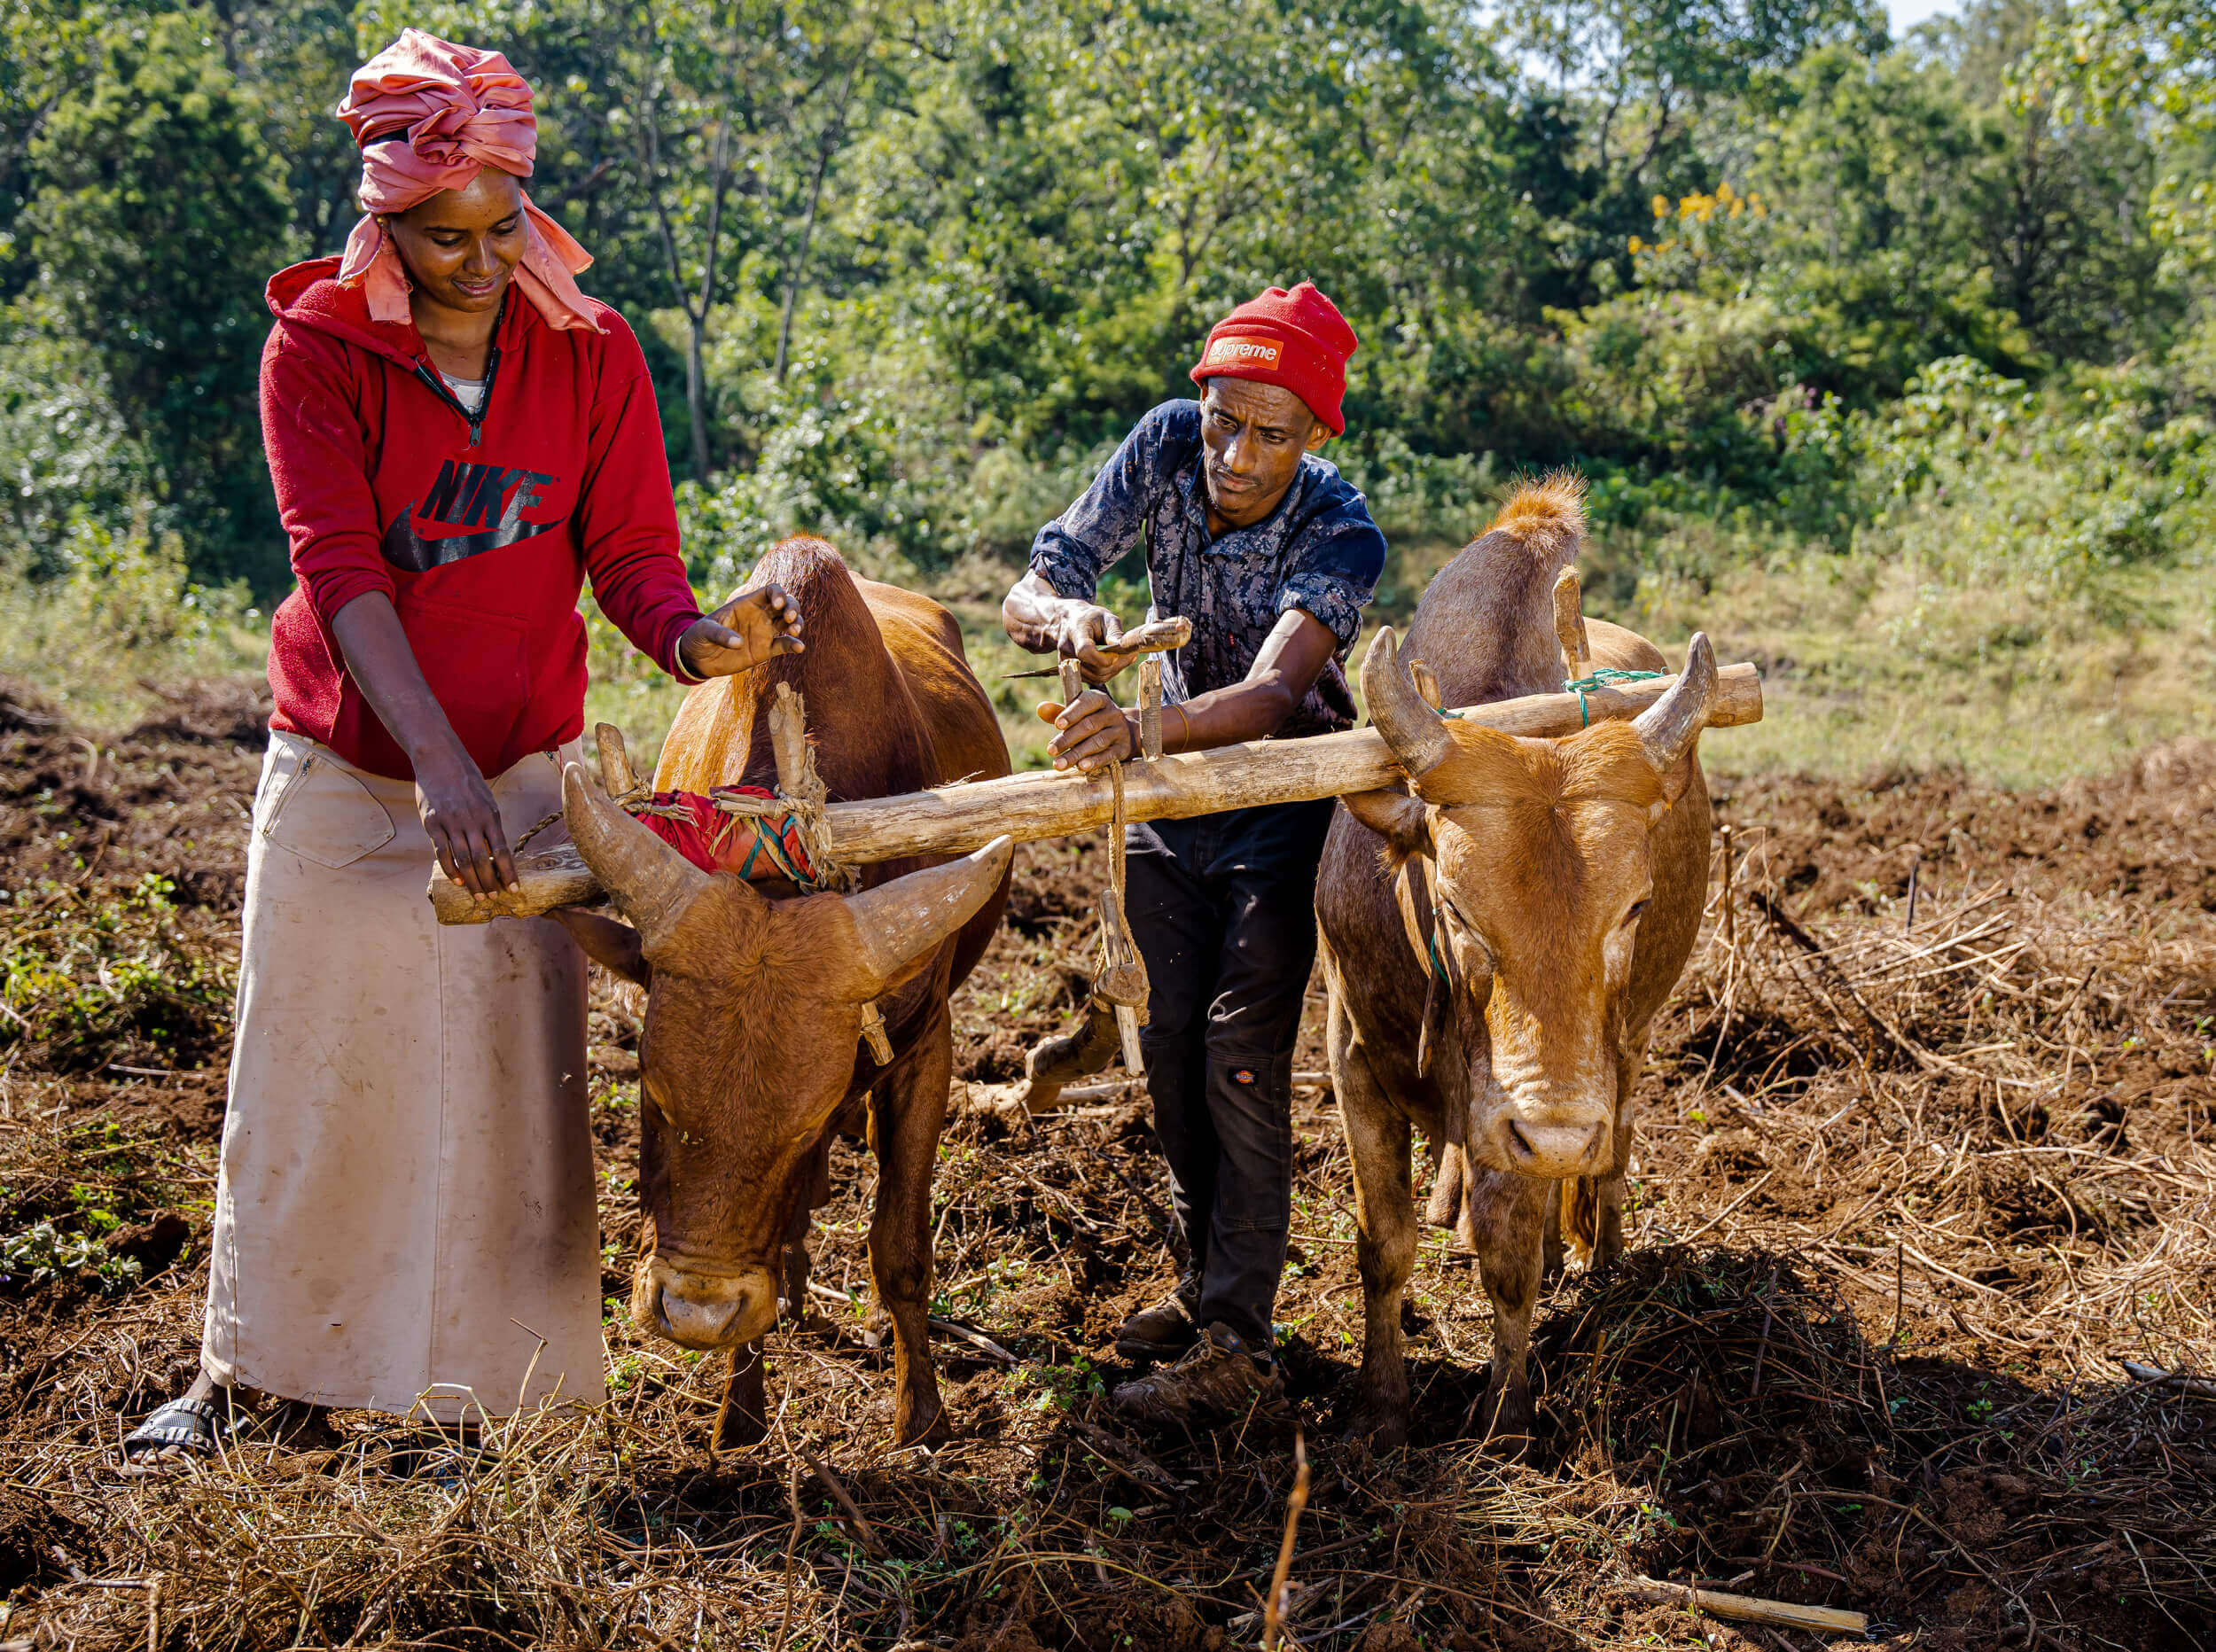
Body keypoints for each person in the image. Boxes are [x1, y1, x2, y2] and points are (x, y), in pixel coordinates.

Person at [123, 31, 803, 1462]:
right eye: (443, 237)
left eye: (502, 229)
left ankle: (484, 1397)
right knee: (307, 1077)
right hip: (351, 771)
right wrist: (429, 763)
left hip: (521, 770)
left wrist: (690, 640)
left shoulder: (590, 350)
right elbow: (342, 567)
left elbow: (629, 552)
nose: (479, 262)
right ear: (383, 223)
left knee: (506, 1098)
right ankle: (256, 1379)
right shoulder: (318, 348)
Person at [1002, 284, 1385, 1425]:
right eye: (1224, 419)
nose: (1235, 453)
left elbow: (1275, 691)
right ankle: (1203, 1286)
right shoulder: (1164, 446)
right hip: (1166, 805)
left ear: (1315, 436)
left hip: (1284, 803)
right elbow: (1043, 575)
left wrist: (1141, 728)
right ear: (1199, 402)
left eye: (1273, 434)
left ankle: (1239, 1343)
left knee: (1238, 1056)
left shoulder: (1342, 529)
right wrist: (1068, 621)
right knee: (1165, 1047)